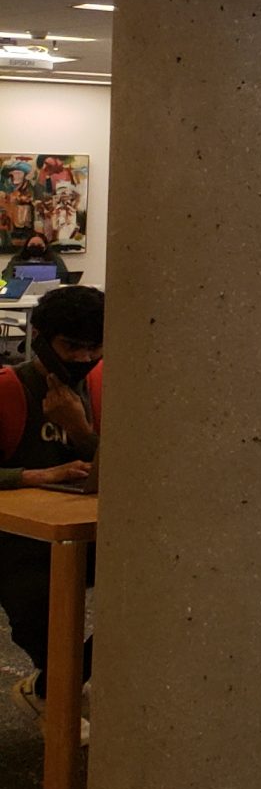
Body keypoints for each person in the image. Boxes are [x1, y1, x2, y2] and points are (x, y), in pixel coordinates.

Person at [0, 286, 102, 727]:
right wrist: (34, 475)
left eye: (94, 346)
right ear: (39, 337)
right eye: (72, 347)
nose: (83, 358)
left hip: (82, 529)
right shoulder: (10, 390)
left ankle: (52, 687)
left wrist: (81, 431)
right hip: (15, 540)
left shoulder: (98, 391)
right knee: (38, 603)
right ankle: (56, 687)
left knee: (154, 588)